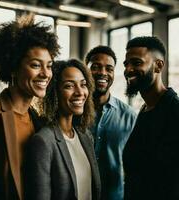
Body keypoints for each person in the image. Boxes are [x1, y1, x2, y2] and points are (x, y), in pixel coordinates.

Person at [0, 15, 60, 200]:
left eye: (49, 66)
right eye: (35, 65)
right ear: (13, 68)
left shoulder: (39, 121)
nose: (46, 74)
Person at [25, 59, 101, 200]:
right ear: (54, 92)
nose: (79, 92)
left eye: (83, 85)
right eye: (69, 86)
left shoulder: (85, 136)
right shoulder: (43, 141)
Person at [123, 36, 179, 200]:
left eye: (137, 63)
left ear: (158, 66)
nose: (128, 70)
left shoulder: (174, 112)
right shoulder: (146, 109)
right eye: (126, 64)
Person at [85, 45, 137, 200]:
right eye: (96, 67)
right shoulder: (72, 113)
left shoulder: (129, 116)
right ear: (85, 71)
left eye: (109, 68)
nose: (103, 73)